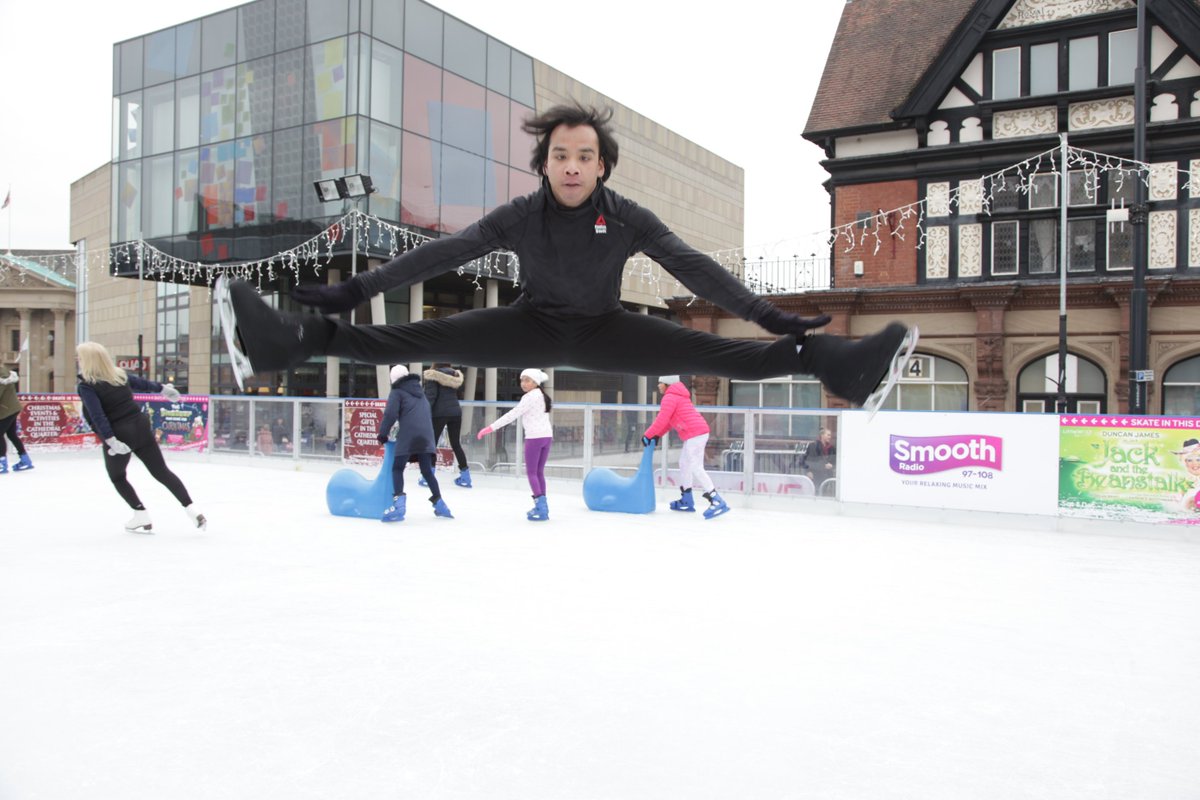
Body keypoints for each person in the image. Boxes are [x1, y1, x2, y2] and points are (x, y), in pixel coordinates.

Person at [223, 103, 909, 408]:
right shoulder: (521, 216)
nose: (573, 165)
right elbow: (445, 254)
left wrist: (766, 314)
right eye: (561, 156)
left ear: (601, 165)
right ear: (545, 164)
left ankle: (838, 365)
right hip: (531, 324)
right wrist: (356, 289)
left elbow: (692, 267)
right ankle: (287, 340)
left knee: (714, 354)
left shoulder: (628, 217)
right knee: (421, 336)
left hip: (608, 329)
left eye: (585, 156)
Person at [75, 341, 205, 533]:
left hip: (120, 433)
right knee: (161, 471)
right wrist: (163, 389)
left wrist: (110, 440)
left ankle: (140, 513)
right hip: (140, 426)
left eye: (79, 357)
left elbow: (97, 415)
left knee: (117, 477)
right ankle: (191, 509)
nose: (78, 360)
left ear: (87, 361)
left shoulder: (87, 386)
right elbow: (143, 384)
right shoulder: (119, 376)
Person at [643, 375, 728, 519]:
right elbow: (669, 422)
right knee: (684, 463)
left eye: (660, 383)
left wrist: (648, 435)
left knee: (696, 467)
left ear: (667, 384)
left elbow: (661, 419)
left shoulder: (670, 397)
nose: (658, 386)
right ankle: (687, 498)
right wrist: (657, 435)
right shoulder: (677, 396)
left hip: (695, 434)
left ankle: (716, 498)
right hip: (696, 433)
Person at [378, 364, 453, 522]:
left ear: (393, 379)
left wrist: (382, 434)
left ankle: (399, 506)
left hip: (409, 435)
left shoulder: (397, 392)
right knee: (426, 471)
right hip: (426, 436)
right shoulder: (420, 392)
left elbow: (390, 414)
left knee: (397, 468)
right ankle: (440, 504)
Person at [476, 368, 553, 521]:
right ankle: (543, 506)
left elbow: (512, 415)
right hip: (546, 436)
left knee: (532, 473)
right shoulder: (542, 395)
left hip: (534, 438)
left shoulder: (529, 397)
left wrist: (490, 428)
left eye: (527, 380)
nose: (523, 383)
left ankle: (541, 507)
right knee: (539, 472)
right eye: (522, 380)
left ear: (535, 382)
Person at [421, 363, 471, 488]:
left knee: (431, 444)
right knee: (456, 444)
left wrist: (424, 413)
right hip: (455, 412)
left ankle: (428, 477)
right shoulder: (454, 375)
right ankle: (466, 476)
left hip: (439, 413)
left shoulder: (432, 376)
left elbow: (430, 397)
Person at [0, 367, 33, 473]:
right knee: (11, 434)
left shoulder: (2, 376)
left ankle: (2, 463)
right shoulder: (4, 372)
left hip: (6, 410)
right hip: (11, 408)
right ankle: (25, 460)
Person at [801, 426, 837, 492]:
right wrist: (808, 471)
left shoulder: (832, 448)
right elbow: (809, 460)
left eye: (830, 435)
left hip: (826, 475)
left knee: (824, 491)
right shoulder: (813, 446)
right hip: (815, 474)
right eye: (828, 435)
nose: (830, 437)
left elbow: (834, 461)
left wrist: (832, 465)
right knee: (815, 491)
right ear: (822, 435)